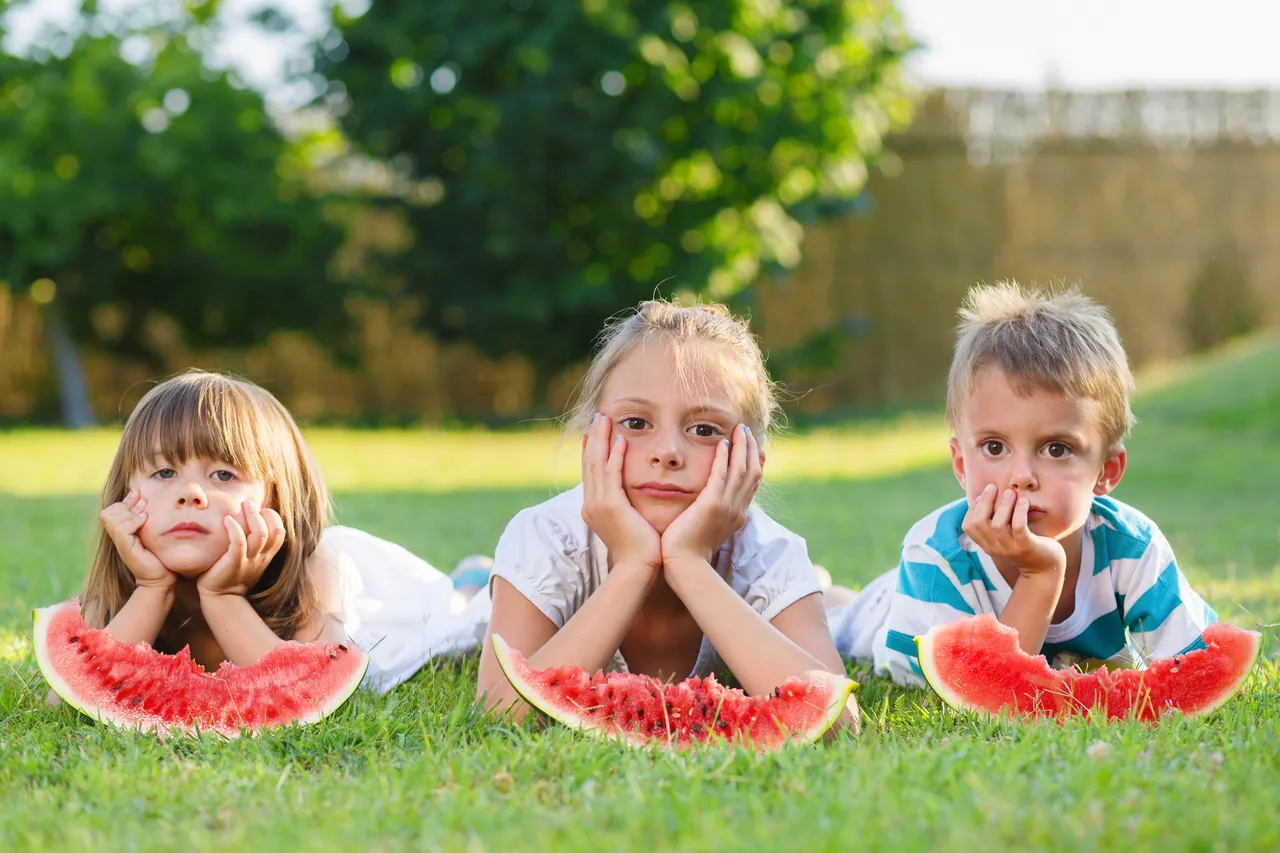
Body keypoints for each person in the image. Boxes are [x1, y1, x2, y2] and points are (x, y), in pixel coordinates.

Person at [475, 300, 858, 732]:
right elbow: (501, 711)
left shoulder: (768, 554)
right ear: (591, 447)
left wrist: (688, 562)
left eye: (704, 430)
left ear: (750, 465)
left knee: (842, 614)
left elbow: (837, 718)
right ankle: (472, 581)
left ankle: (832, 594)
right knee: (460, 619)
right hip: (499, 598)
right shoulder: (546, 538)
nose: (667, 453)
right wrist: (634, 564)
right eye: (636, 422)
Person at [828, 282, 1217, 685]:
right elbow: (980, 694)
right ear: (961, 463)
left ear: (1107, 471)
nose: (1021, 477)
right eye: (995, 447)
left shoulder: (1133, 550)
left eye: (1056, 449)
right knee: (841, 616)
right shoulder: (935, 559)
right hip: (890, 606)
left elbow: (1195, 663)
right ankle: (829, 594)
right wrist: (1040, 573)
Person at [70, 370, 486, 696]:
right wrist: (151, 587)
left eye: (223, 474)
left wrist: (223, 597)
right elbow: (67, 699)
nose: (191, 494)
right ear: (125, 494)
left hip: (372, 610)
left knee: (453, 618)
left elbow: (315, 690)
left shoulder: (314, 569)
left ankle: (471, 580)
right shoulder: (120, 578)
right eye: (163, 472)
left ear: (276, 500)